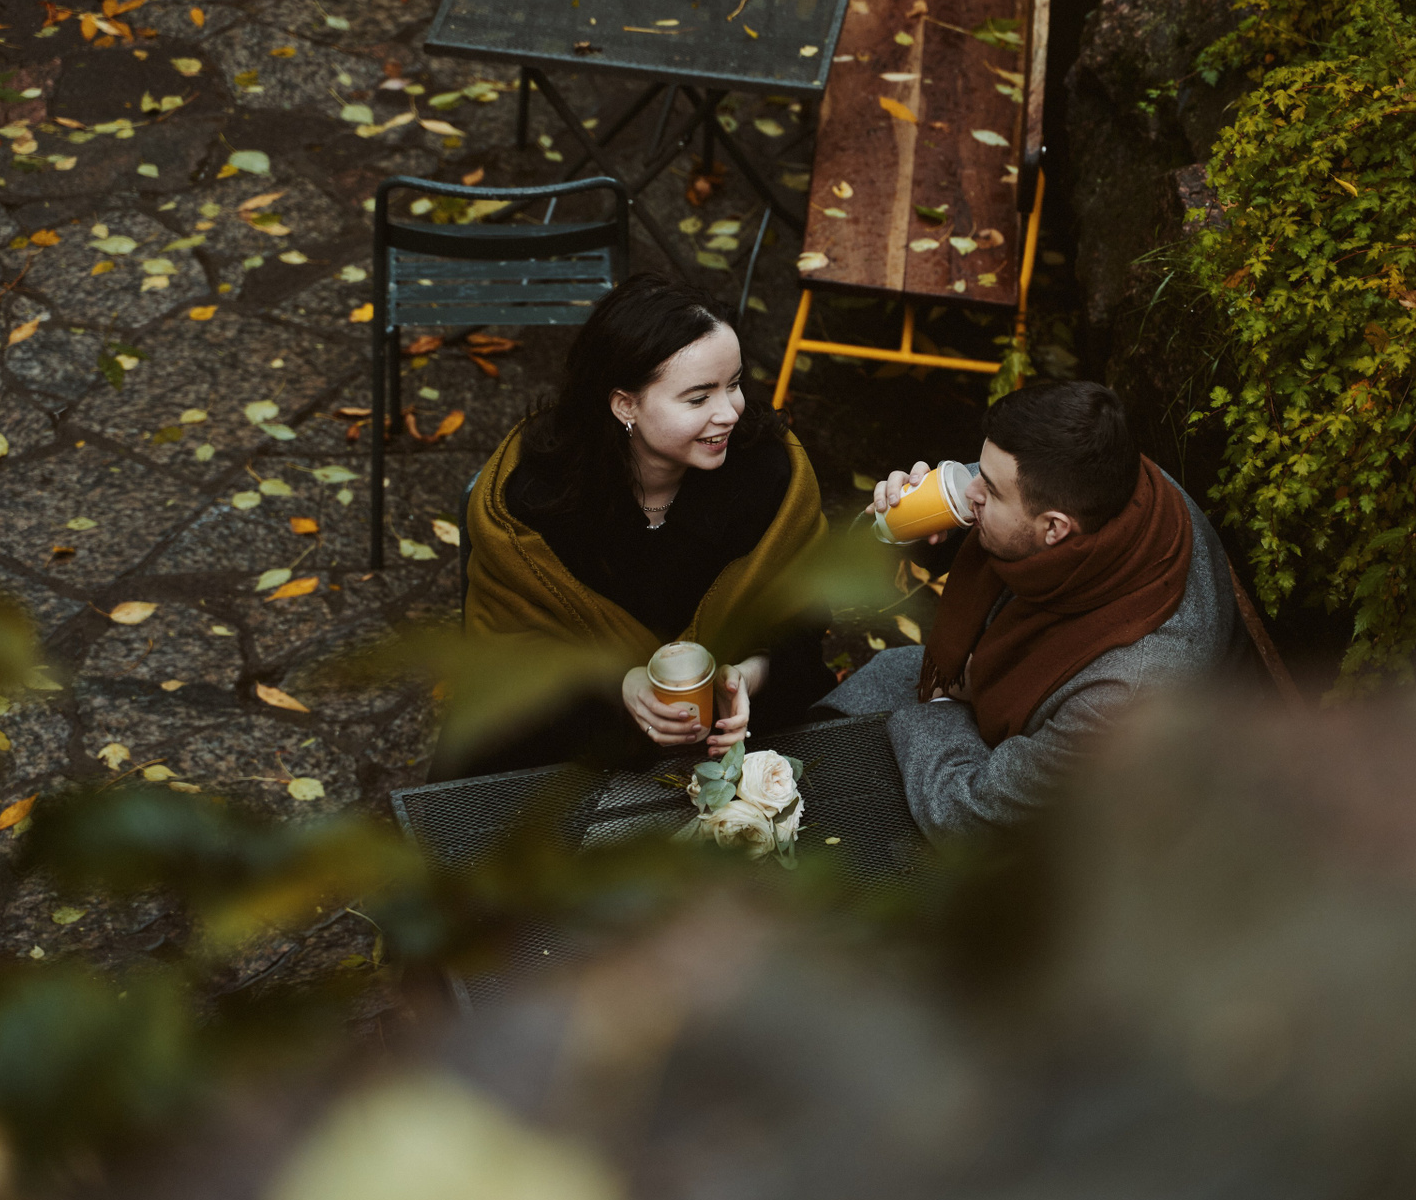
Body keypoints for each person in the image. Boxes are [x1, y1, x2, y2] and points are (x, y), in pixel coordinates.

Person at [818, 381, 1245, 842]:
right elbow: (982, 504)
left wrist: (942, 701)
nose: (970, 488)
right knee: (831, 729)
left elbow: (970, 819)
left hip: (1096, 814)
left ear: (1055, 529)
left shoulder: (1126, 690)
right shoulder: (1095, 476)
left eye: (989, 489)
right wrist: (903, 525)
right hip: (999, 680)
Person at [445, 274, 835, 776]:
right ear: (625, 404)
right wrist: (617, 687)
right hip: (570, 750)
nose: (729, 413)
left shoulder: (766, 475)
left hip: (740, 741)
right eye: (698, 398)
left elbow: (802, 626)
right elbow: (506, 658)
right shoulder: (536, 503)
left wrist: (749, 677)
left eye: (734, 385)